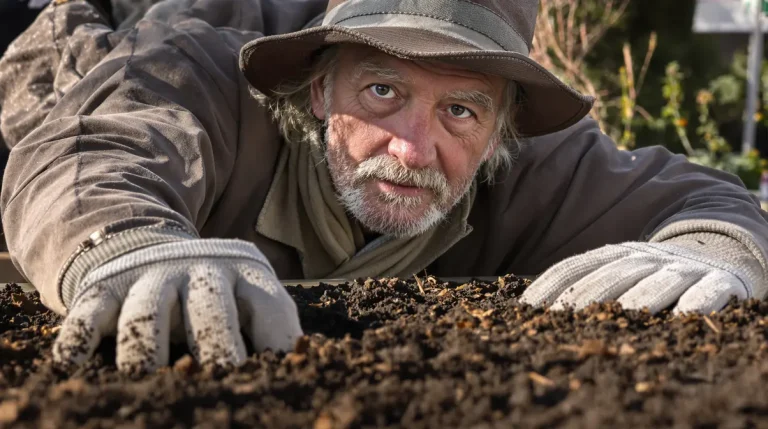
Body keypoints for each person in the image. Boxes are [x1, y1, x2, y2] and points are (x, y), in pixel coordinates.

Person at [0, 0, 766, 374]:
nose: (412, 146)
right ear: (319, 89)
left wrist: (719, 249)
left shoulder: (527, 163)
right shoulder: (201, 74)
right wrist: (129, 242)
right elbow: (91, 151)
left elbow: (706, 201)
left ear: (500, 129)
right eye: (381, 92)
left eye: (460, 109)